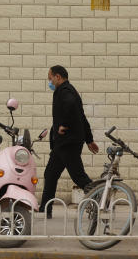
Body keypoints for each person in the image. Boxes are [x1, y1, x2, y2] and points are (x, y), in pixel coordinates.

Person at [40, 65, 98, 218]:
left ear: (57, 77)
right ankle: (45, 210)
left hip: (68, 143)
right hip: (63, 144)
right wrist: (89, 139)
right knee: (50, 174)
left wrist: (63, 124)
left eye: (50, 78)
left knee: (79, 176)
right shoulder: (68, 90)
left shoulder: (65, 91)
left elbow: (71, 106)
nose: (50, 82)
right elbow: (82, 117)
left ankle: (99, 199)